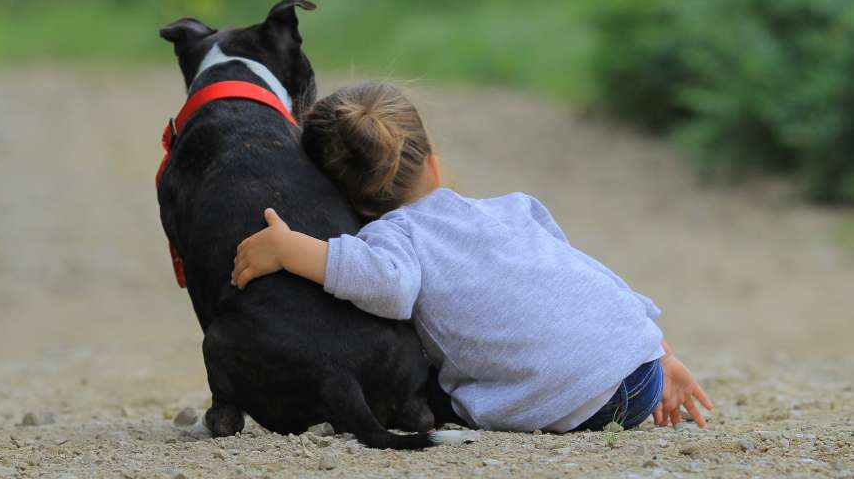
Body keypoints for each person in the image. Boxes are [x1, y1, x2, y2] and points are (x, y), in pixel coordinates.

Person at [231, 82, 712, 433]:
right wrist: (660, 353)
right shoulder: (516, 208)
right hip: (642, 374)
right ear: (434, 165)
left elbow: (387, 285)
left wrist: (295, 249)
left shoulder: (395, 236)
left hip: (577, 405)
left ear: (348, 205)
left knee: (428, 383)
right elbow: (584, 278)